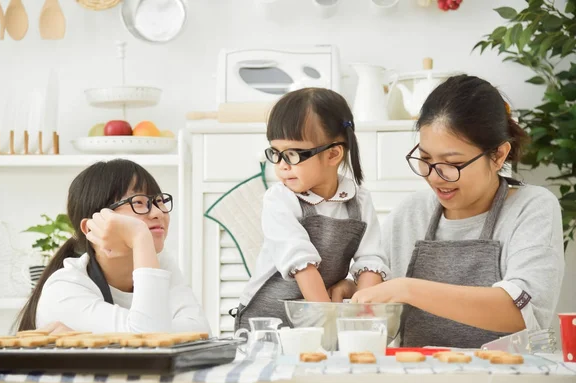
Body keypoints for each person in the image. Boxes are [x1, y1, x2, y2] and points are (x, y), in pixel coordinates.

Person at [336, 75, 564, 348]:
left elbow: (520, 311)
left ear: (499, 155)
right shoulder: (412, 212)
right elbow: (376, 290)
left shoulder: (532, 208)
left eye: (452, 163)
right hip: (418, 381)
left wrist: (407, 288)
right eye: (426, 159)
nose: (435, 176)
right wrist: (352, 290)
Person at [234, 88, 388, 331]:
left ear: (333, 154)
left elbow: (370, 260)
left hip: (321, 314)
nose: (282, 166)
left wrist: (362, 317)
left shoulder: (359, 201)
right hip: (269, 321)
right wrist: (327, 324)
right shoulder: (280, 200)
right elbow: (302, 265)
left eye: (293, 154)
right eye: (276, 153)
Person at [16, 159, 210, 335]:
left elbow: (201, 332)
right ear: (91, 227)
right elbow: (153, 342)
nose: (158, 212)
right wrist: (140, 236)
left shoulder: (161, 262)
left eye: (159, 201)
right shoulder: (63, 291)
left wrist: (114, 337)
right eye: (139, 203)